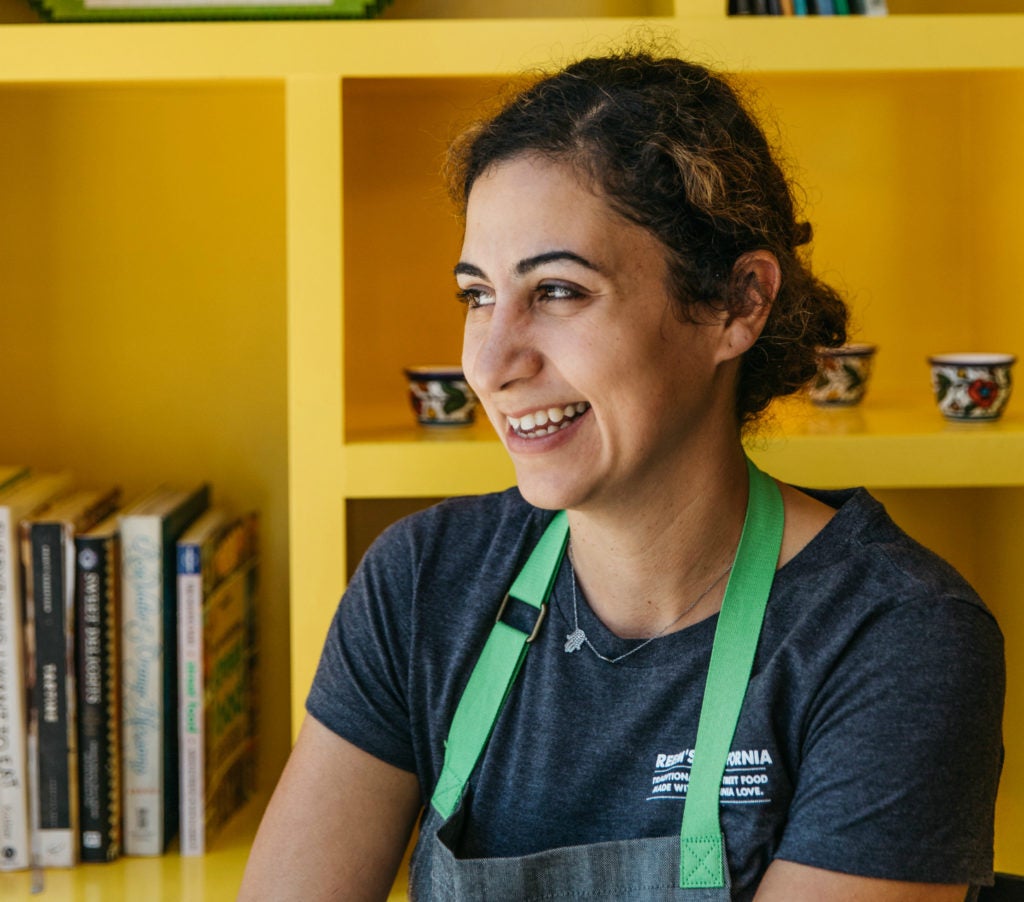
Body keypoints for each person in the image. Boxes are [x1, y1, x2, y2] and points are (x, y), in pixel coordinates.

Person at [239, 51, 1004, 901]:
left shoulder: (893, 639)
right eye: (476, 295)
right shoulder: (422, 583)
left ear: (737, 304)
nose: (490, 363)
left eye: (559, 291)